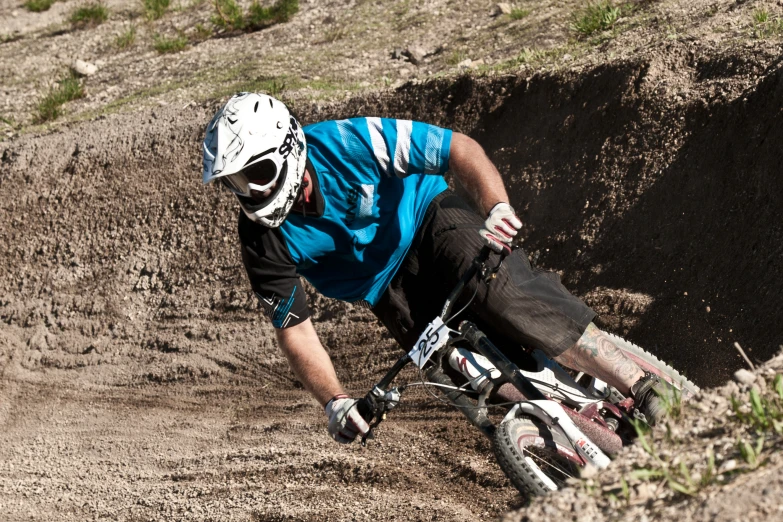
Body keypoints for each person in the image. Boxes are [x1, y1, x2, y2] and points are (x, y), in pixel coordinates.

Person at [202, 92, 672, 444]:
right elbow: (295, 330)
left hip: (430, 220)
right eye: (235, 183)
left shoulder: (350, 142)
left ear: (288, 147)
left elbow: (458, 150)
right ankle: (593, 456)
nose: (249, 193)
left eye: (255, 174)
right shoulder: (259, 237)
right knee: (479, 391)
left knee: (508, 298)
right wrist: (335, 401)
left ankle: (646, 387)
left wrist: (495, 207)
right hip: (384, 291)